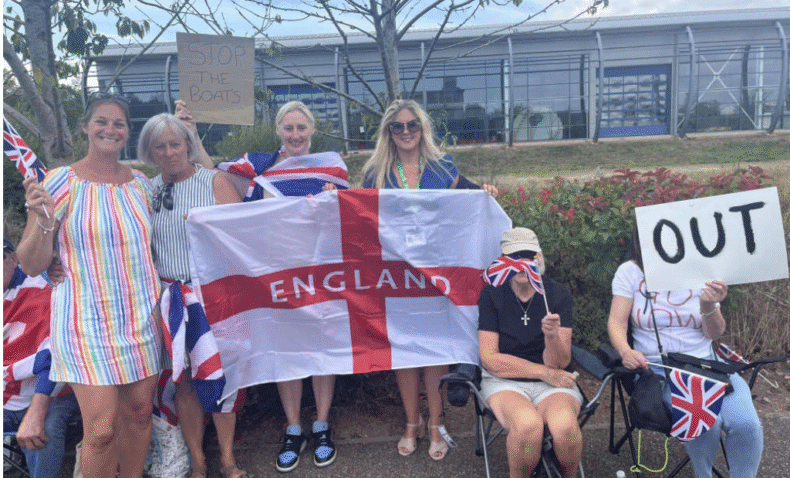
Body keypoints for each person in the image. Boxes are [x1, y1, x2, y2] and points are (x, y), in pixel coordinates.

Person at [178, 99, 345, 472]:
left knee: (321, 348)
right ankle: (293, 427)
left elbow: (345, 215)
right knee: (284, 349)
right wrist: (190, 131)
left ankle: (321, 424)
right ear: (279, 131)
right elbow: (212, 173)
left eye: (302, 128)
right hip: (272, 275)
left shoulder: (333, 166)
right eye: (289, 128)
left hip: (320, 272)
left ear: (313, 130)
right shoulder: (258, 164)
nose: (296, 135)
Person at [16, 95, 162, 478]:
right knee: (100, 431)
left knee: (140, 415)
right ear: (85, 126)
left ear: (128, 132)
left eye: (119, 124)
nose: (110, 130)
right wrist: (42, 217)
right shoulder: (61, 181)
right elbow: (31, 264)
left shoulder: (143, 186)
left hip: (140, 317)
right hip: (85, 322)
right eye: (102, 122)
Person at [360, 99, 496, 460]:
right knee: (405, 349)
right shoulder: (375, 172)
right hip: (396, 274)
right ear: (388, 132)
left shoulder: (442, 166)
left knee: (434, 348)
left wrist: (485, 195)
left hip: (435, 274)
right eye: (398, 126)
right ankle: (411, 421)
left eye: (412, 125)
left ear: (423, 129)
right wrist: (331, 200)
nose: (406, 132)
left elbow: (467, 198)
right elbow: (357, 213)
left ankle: (435, 422)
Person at [137, 113, 251, 478]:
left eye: (175, 143)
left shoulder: (214, 182)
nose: (170, 152)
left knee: (223, 376)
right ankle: (198, 460)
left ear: (187, 144)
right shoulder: (146, 191)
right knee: (183, 380)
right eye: (160, 146)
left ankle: (228, 457)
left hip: (214, 294)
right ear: (150, 152)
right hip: (170, 298)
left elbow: (242, 238)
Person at [607, 227, 761, 478]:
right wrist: (625, 350)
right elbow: (616, 322)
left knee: (747, 424)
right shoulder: (630, 272)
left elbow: (715, 333)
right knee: (704, 424)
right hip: (659, 370)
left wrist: (708, 305)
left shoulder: (702, 271)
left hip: (708, 365)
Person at [477, 228, 582, 478]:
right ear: (503, 261)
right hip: (505, 383)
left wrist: (552, 336)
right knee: (527, 426)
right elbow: (490, 358)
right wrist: (543, 373)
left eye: (528, 255)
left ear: (539, 258)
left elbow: (561, 362)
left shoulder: (557, 294)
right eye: (515, 257)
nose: (522, 264)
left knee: (565, 427)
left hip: (554, 381)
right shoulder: (492, 294)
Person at [3, 238, 81, 478]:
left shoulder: (41, 292)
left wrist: (35, 413)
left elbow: (51, 356)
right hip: (8, 391)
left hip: (55, 388)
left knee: (43, 427)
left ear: (13, 258)